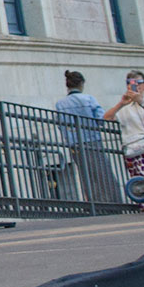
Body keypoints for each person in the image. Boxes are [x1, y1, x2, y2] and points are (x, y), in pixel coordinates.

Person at [54, 70, 118, 204]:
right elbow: (101, 119)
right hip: (92, 141)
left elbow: (61, 124)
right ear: (82, 84)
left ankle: (95, 204)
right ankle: (112, 202)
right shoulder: (88, 99)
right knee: (104, 174)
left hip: (75, 145)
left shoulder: (60, 104)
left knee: (86, 175)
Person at [106, 71, 144, 213]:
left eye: (137, 84)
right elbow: (107, 118)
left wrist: (141, 101)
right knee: (143, 186)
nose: (134, 87)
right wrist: (121, 103)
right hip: (135, 150)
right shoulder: (125, 107)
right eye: (130, 84)